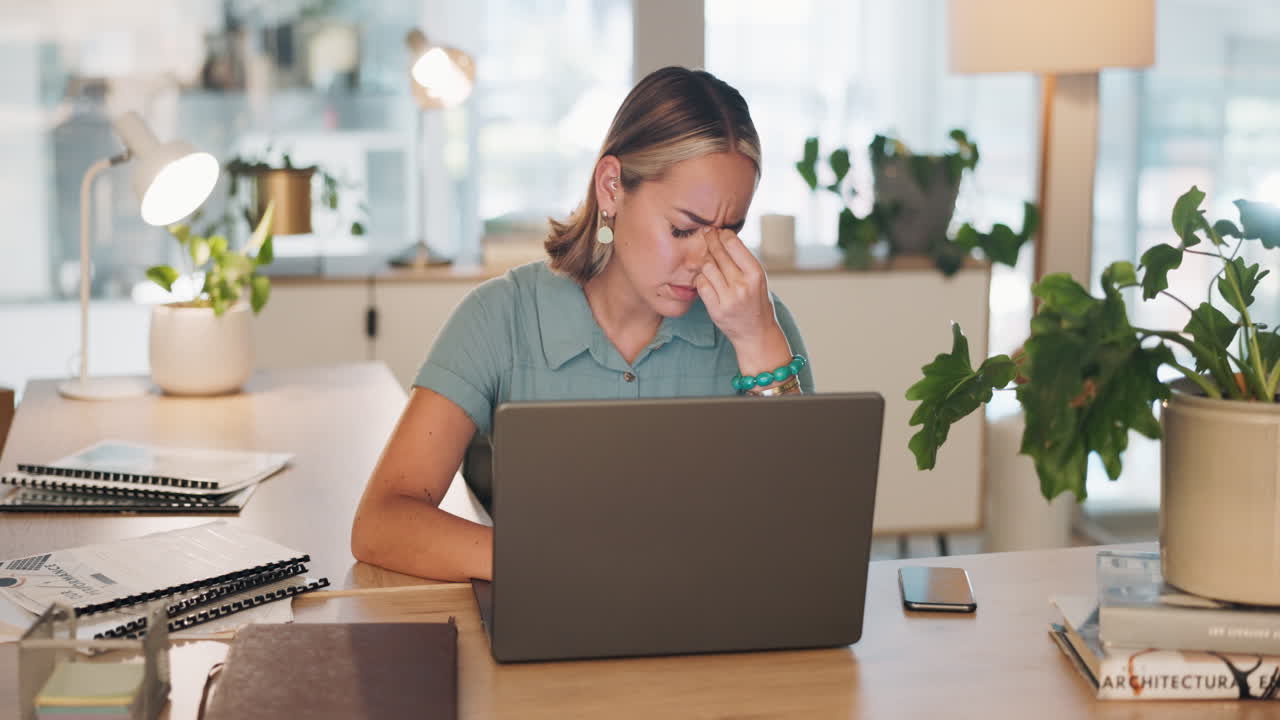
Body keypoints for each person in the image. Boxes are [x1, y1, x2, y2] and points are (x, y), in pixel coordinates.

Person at [351, 66, 815, 582]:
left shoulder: (762, 325)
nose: (706, 258)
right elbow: (382, 521)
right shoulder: (501, 316)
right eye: (685, 228)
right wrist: (558, 564)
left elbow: (807, 538)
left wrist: (758, 342)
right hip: (551, 626)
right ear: (612, 187)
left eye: (729, 231)